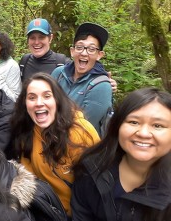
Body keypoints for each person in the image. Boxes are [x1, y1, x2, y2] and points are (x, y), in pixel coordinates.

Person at [8, 73, 100, 218]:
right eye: (32, 97)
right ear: (25, 104)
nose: (39, 103)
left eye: (46, 96)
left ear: (57, 100)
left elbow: (96, 186)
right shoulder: (26, 132)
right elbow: (30, 179)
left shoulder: (80, 133)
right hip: (46, 209)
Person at [72, 87, 171, 221]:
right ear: (117, 126)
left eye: (158, 125)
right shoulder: (90, 171)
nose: (143, 133)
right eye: (134, 122)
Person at [51, 22, 113, 136]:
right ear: (72, 51)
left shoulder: (101, 86)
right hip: (51, 140)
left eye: (91, 49)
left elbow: (82, 126)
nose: (84, 53)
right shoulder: (58, 74)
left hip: (83, 147)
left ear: (99, 55)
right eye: (79, 47)